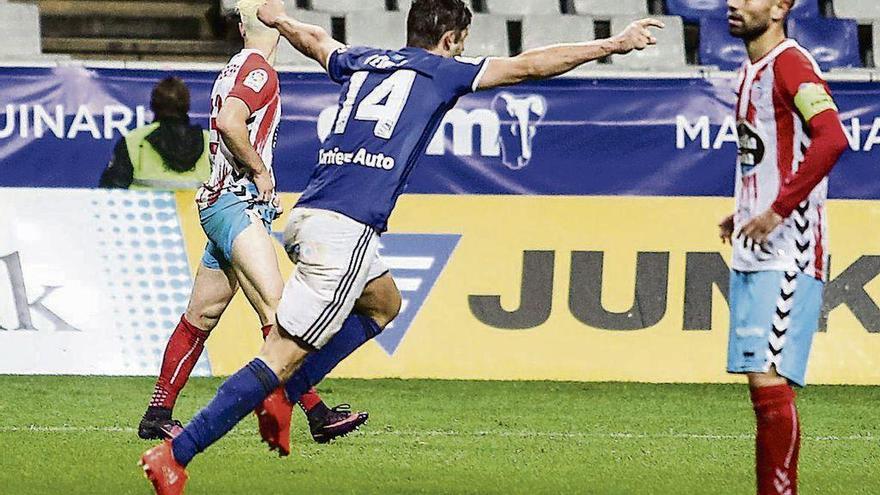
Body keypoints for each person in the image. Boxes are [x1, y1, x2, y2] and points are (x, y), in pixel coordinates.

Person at [140, 0, 663, 492]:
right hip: (343, 228)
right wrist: (610, 45)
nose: (461, 51)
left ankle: (283, 393)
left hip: (311, 213)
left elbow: (316, 39)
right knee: (279, 357)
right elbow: (528, 66)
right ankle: (177, 455)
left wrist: (280, 22)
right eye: (461, 42)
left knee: (384, 302)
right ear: (452, 38)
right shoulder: (442, 71)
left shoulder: (364, 60)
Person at [135, 0, 368, 450]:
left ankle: (158, 413)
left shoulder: (234, 66)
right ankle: (315, 411)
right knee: (279, 309)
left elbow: (226, 118)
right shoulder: (259, 69)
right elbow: (229, 122)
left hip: (223, 203)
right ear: (269, 24)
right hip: (236, 203)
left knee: (200, 315)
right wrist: (261, 173)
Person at [719, 0, 849, 493]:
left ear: (780, 7)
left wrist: (778, 209)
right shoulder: (752, 69)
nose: (734, 2)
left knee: (769, 384)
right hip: (759, 244)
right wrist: (749, 208)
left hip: (790, 247)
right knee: (762, 385)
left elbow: (832, 138)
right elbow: (767, 153)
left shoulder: (792, 63)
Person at [99, 77, 211, 191]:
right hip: (196, 208)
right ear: (187, 106)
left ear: (153, 105)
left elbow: (112, 191)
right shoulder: (210, 142)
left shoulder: (134, 141)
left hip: (144, 208)